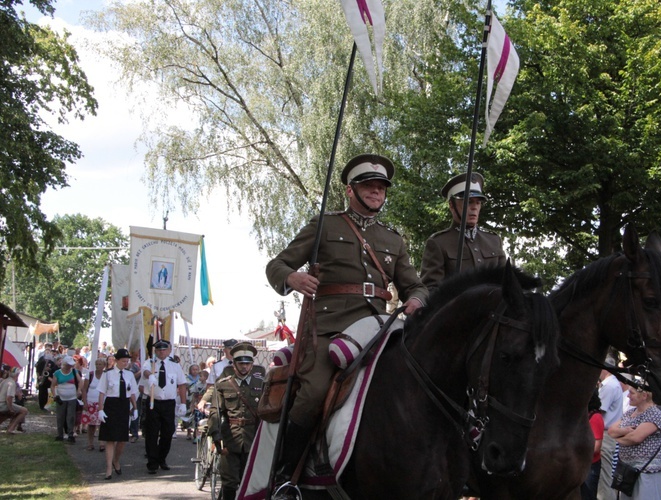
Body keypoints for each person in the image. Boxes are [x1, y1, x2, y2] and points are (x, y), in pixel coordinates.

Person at [266, 153, 429, 484]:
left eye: (381, 187)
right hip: (330, 328)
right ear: (349, 190)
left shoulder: (393, 239)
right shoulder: (326, 225)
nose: (375, 192)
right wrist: (292, 279)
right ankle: (286, 475)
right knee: (313, 392)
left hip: (379, 329)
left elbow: (416, 286)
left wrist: (415, 299)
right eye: (368, 186)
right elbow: (277, 265)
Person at [419, 172, 507, 291]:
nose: (474, 207)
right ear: (452, 205)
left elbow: (507, 282)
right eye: (468, 202)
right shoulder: (439, 243)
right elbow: (431, 291)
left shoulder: (494, 240)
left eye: (478, 202)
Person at [210, 342, 265, 500]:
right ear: (233, 364)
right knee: (229, 481)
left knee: (251, 479)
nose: (244, 367)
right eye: (241, 363)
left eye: (248, 364)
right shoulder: (224, 383)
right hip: (230, 438)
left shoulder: (260, 383)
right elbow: (215, 411)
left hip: (253, 437)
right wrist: (216, 435)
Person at [608, 385, 661, 500]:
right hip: (627, 471)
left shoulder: (654, 414)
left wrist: (617, 438)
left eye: (632, 393)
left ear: (644, 396)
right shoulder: (629, 413)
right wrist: (625, 430)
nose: (628, 396)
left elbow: (635, 438)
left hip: (646, 472)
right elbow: (611, 430)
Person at [141, 339, 187, 474]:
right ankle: (152, 463)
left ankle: (162, 458)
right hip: (153, 403)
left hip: (168, 403)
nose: (161, 352)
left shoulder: (174, 365)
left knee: (168, 433)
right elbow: (145, 371)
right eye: (159, 350)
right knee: (152, 434)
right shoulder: (150, 363)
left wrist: (183, 403)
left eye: (164, 349)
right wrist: (150, 376)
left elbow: (182, 384)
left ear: (168, 350)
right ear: (155, 351)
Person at [97, 348, 138, 480]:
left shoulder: (129, 375)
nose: (125, 363)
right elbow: (102, 392)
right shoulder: (108, 374)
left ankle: (116, 460)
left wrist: (135, 408)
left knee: (122, 439)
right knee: (110, 438)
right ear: (116, 360)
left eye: (127, 361)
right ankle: (108, 467)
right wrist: (100, 409)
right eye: (123, 361)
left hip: (124, 405)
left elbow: (132, 393)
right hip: (111, 405)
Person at [597, 363, 624, 500]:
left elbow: (599, 410)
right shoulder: (611, 384)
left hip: (605, 436)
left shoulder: (609, 386)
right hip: (606, 434)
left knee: (604, 478)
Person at [198, 339, 238, 412]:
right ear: (224, 350)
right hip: (220, 400)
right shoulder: (216, 366)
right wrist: (207, 401)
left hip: (237, 400)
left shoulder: (242, 365)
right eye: (229, 348)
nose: (232, 351)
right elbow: (210, 385)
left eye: (234, 349)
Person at [50, 355, 82, 443]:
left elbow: (80, 382)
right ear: (64, 364)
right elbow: (53, 386)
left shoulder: (74, 372)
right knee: (60, 416)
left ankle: (70, 434)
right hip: (61, 397)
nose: (70, 367)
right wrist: (55, 395)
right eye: (68, 365)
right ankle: (60, 434)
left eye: (71, 365)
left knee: (71, 416)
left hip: (72, 397)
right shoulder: (57, 373)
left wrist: (79, 390)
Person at [581, 389, 603, 500]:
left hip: (591, 465)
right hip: (584, 463)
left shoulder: (595, 417)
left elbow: (596, 446)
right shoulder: (586, 416)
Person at [82, 357, 107, 451]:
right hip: (91, 402)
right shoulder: (90, 374)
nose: (98, 366)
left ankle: (102, 443)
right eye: (97, 364)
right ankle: (90, 443)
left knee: (102, 423)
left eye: (100, 364)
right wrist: (85, 402)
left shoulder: (106, 375)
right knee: (91, 424)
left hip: (102, 402)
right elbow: (84, 389)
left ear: (104, 366)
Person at [1, 366, 28, 434]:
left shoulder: (4, 381)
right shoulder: (12, 383)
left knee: (15, 410)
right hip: (3, 404)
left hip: (1, 403)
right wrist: (11, 409)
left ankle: (10, 427)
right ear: (17, 375)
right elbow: (9, 398)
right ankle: (11, 429)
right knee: (24, 410)